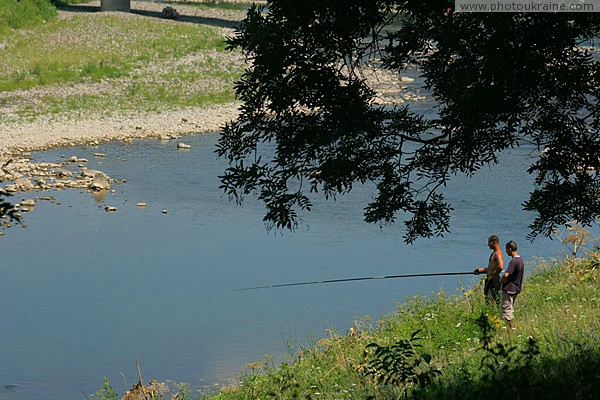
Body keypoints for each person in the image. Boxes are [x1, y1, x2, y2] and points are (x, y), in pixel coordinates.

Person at [473, 235, 504, 305]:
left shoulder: (498, 253)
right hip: (489, 280)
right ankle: (489, 314)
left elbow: (501, 266)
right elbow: (491, 268)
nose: (488, 244)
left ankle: (498, 314)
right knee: (488, 300)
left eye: (489, 243)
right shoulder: (493, 253)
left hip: (494, 280)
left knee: (496, 300)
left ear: (494, 242)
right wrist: (482, 270)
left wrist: (494, 275)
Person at [501, 241, 524, 329]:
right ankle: (510, 328)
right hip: (516, 288)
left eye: (506, 250)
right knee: (510, 308)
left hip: (509, 288)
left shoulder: (513, 261)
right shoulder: (520, 260)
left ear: (510, 249)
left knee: (506, 309)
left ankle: (510, 329)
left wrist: (502, 281)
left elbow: (506, 274)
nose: (506, 252)